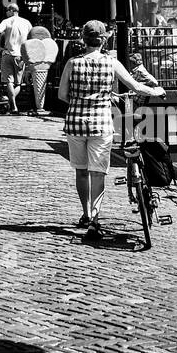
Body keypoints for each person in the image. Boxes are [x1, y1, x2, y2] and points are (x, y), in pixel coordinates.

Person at [57, 19, 164, 237]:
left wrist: (79, 103)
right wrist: (156, 91)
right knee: (98, 173)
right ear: (104, 39)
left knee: (81, 170)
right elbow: (135, 87)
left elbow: (61, 94)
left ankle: (85, 213)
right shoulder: (111, 62)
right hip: (101, 122)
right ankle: (95, 220)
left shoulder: (72, 62)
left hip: (75, 122)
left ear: (83, 39)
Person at [0, 4, 32, 114]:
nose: (6, 12)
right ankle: (12, 105)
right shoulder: (26, 22)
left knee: (9, 81)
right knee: (18, 84)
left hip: (7, 53)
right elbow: (31, 37)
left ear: (12, 10)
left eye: (7, 10)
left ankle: (12, 106)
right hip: (20, 55)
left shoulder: (7, 21)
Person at [20, 24, 58, 116]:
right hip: (38, 65)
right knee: (38, 86)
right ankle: (39, 106)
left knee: (33, 85)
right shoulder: (48, 43)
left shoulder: (30, 43)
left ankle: (38, 106)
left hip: (33, 66)